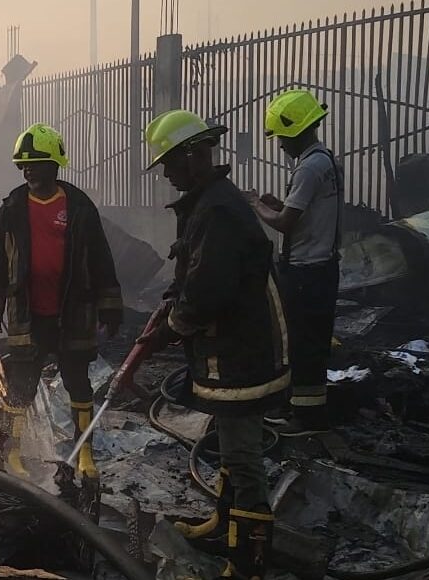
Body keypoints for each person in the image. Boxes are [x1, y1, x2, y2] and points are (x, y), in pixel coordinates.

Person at [138, 109, 290, 580]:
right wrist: (172, 298)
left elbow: (208, 293)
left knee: (243, 458)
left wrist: (170, 329)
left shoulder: (218, 210)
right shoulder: (207, 203)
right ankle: (224, 524)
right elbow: (192, 269)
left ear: (194, 154)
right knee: (227, 443)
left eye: (169, 162)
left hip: (241, 351)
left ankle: (247, 561)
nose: (166, 173)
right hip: (229, 347)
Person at [0, 123, 123, 481]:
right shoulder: (11, 209)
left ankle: (84, 452)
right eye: (24, 165)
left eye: (36, 164)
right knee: (21, 385)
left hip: (74, 313)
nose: (28, 171)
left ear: (54, 165)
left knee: (79, 383)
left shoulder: (79, 207)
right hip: (27, 314)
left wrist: (110, 305)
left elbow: (101, 258)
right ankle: (12, 452)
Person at [242, 89, 342, 437]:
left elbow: (285, 223)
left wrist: (256, 204)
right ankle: (306, 410)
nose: (281, 145)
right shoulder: (325, 161)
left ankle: (305, 418)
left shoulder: (309, 168)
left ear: (297, 131)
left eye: (283, 137)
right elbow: (303, 214)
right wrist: (278, 204)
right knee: (312, 341)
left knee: (300, 343)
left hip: (304, 271)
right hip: (322, 267)